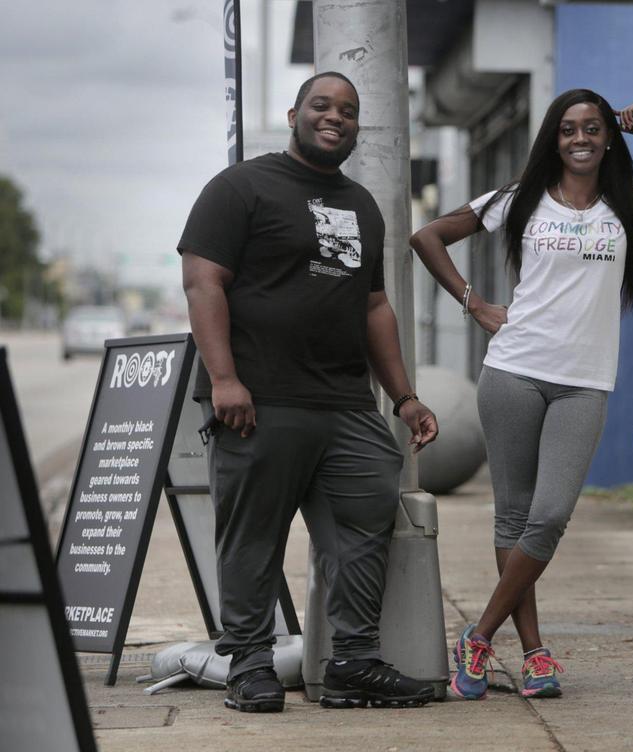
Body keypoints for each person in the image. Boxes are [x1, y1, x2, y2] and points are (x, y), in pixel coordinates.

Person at [411, 88, 633, 700]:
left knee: (551, 514)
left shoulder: (630, 204)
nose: (581, 138)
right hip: (513, 371)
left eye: (592, 127)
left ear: (608, 137)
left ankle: (478, 636)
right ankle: (535, 655)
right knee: (513, 515)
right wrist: (473, 303)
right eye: (568, 130)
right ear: (553, 141)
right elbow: (427, 236)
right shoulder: (519, 200)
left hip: (584, 383)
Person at [179, 71, 439, 713]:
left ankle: (352, 662)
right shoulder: (240, 187)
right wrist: (224, 380)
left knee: (361, 536)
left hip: (346, 405)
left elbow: (374, 306)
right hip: (258, 402)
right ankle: (248, 664)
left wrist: (403, 397)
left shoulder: (361, 204)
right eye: (322, 106)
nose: (335, 117)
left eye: (348, 110)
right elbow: (202, 282)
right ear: (294, 113)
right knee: (252, 538)